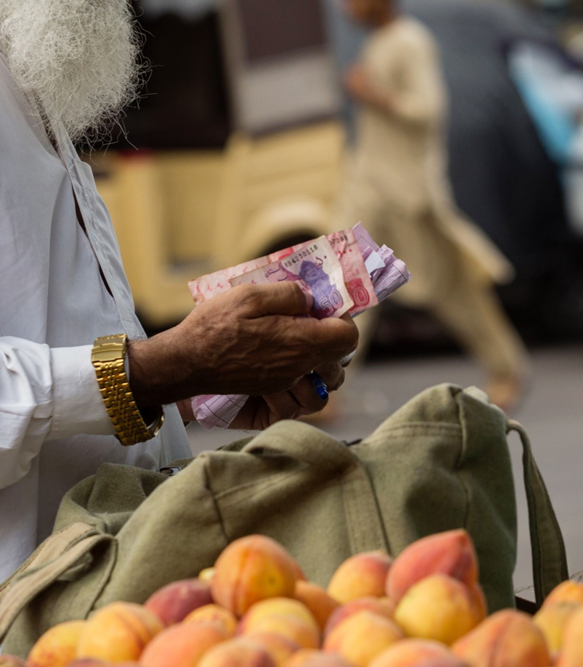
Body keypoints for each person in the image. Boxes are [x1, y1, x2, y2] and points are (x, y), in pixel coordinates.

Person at [0, 0, 358, 581]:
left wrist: (198, 388)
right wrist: (171, 367)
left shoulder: (27, 61)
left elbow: (50, 348)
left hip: (111, 586)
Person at [336, 0, 529, 411]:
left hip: (411, 194)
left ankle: (506, 368)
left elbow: (427, 110)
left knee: (452, 288)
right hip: (371, 188)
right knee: (351, 282)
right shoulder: (378, 43)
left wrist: (372, 94)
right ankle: (327, 385)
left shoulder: (410, 41)